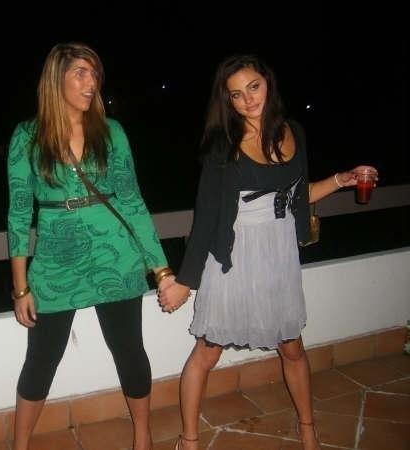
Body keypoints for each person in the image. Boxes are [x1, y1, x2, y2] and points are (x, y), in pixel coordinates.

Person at [158, 54, 378, 450]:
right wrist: (185, 282)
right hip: (235, 255)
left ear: (268, 84)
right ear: (227, 101)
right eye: (236, 94)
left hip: (278, 253)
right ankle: (188, 440)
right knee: (207, 352)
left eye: (253, 87)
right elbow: (206, 218)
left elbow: (297, 196)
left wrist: (340, 180)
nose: (248, 100)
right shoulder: (223, 146)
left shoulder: (294, 132)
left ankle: (308, 430)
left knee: (292, 347)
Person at [7, 42, 174, 450]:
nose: (91, 82)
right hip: (56, 262)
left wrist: (162, 270)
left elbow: (132, 202)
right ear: (56, 78)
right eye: (80, 73)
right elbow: (18, 214)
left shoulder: (111, 132)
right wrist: (21, 287)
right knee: (42, 359)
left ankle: (142, 437)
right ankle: (20, 444)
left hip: (116, 257)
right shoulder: (27, 136)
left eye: (94, 73)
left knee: (129, 351)